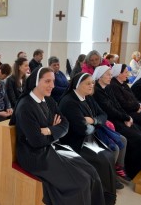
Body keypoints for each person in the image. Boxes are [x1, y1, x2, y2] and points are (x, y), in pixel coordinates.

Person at [9, 67, 105, 205]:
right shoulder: (25, 107)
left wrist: (49, 130)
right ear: (36, 81)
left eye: (53, 81)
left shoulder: (48, 101)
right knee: (81, 182)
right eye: (47, 81)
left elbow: (65, 124)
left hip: (51, 147)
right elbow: (36, 141)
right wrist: (55, 130)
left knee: (92, 172)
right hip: (34, 156)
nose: (52, 86)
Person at [59, 73, 117, 205]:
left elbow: (103, 115)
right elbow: (82, 129)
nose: (91, 85)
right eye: (88, 83)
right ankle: (100, 196)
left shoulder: (87, 97)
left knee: (108, 154)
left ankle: (107, 195)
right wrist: (95, 124)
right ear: (78, 85)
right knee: (102, 158)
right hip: (74, 143)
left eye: (92, 83)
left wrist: (93, 120)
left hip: (88, 138)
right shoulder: (69, 102)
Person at [93, 65, 141, 179]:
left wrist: (127, 117)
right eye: (108, 75)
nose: (110, 76)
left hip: (121, 119)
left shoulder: (107, 87)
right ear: (100, 77)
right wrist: (126, 118)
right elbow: (109, 110)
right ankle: (132, 170)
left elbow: (117, 105)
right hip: (112, 122)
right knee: (140, 140)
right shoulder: (97, 91)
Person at [109, 64, 141, 131]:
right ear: (119, 74)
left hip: (135, 110)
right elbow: (123, 103)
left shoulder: (123, 84)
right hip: (127, 113)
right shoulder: (114, 86)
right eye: (126, 72)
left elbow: (134, 98)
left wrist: (140, 105)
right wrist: (138, 106)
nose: (129, 74)